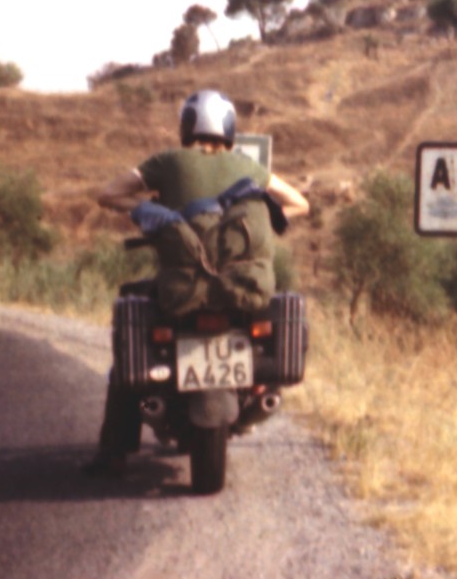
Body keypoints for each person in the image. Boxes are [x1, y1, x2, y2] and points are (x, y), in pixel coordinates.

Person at [82, 88, 309, 476]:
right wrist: (263, 217)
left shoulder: (167, 162)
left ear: (186, 127)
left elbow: (108, 194)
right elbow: (300, 203)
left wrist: (148, 209)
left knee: (129, 333)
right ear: (229, 129)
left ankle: (115, 451)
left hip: (180, 290)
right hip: (241, 289)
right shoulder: (248, 168)